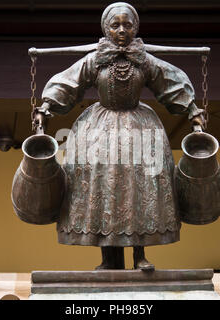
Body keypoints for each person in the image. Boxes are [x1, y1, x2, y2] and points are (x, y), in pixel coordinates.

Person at [34, 2, 206, 270]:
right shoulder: (95, 59)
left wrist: (192, 110)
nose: (122, 30)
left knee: (140, 188)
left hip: (141, 130)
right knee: (105, 189)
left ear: (135, 28)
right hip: (99, 133)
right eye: (116, 25)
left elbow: (169, 81)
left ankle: (140, 255)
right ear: (106, 29)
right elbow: (69, 82)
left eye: (127, 25)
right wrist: (47, 106)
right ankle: (108, 259)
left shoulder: (144, 60)